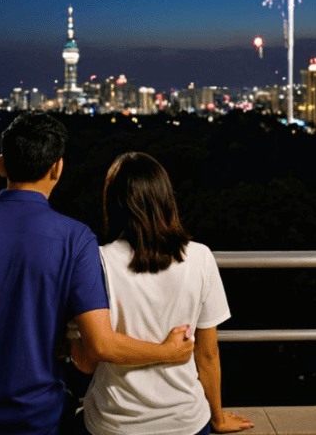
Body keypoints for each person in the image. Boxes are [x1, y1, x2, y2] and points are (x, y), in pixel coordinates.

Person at [0, 114, 194, 435]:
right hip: (37, 417)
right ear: (57, 168)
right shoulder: (75, 238)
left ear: (1, 164)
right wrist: (168, 352)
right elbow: (99, 343)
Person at [70, 152, 253, 435]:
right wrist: (216, 417)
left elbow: (85, 362)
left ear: (113, 203)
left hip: (116, 424)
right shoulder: (201, 257)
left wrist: (68, 341)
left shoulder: (97, 262)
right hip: (188, 422)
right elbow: (207, 354)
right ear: (166, 199)